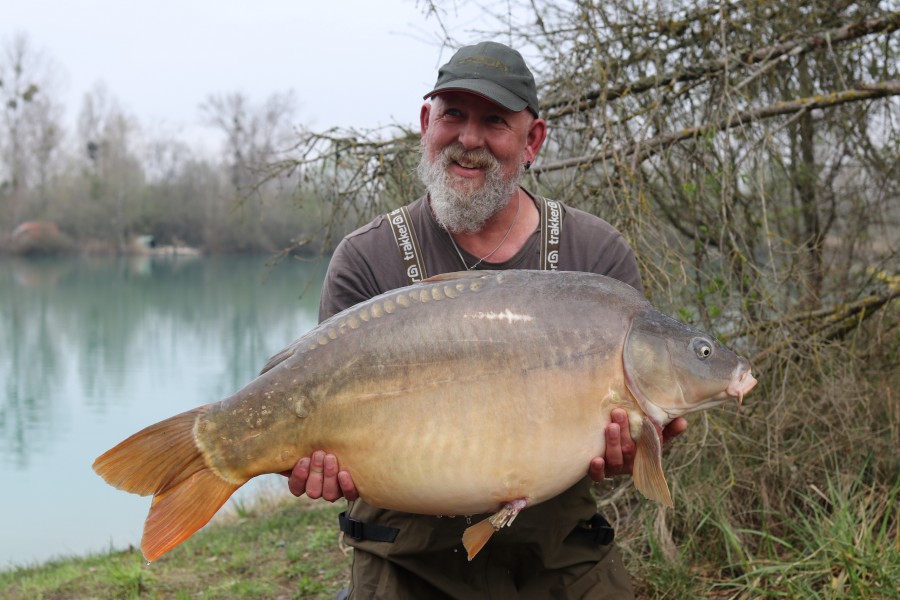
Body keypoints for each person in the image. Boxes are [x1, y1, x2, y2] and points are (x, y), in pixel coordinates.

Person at [284, 41, 688, 599]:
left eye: (494, 121)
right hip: (405, 557)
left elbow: (625, 432)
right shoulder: (366, 258)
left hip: (558, 557)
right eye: (453, 114)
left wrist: (635, 450)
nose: (469, 139)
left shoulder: (596, 256)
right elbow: (320, 430)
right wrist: (314, 463)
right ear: (427, 123)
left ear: (534, 140)